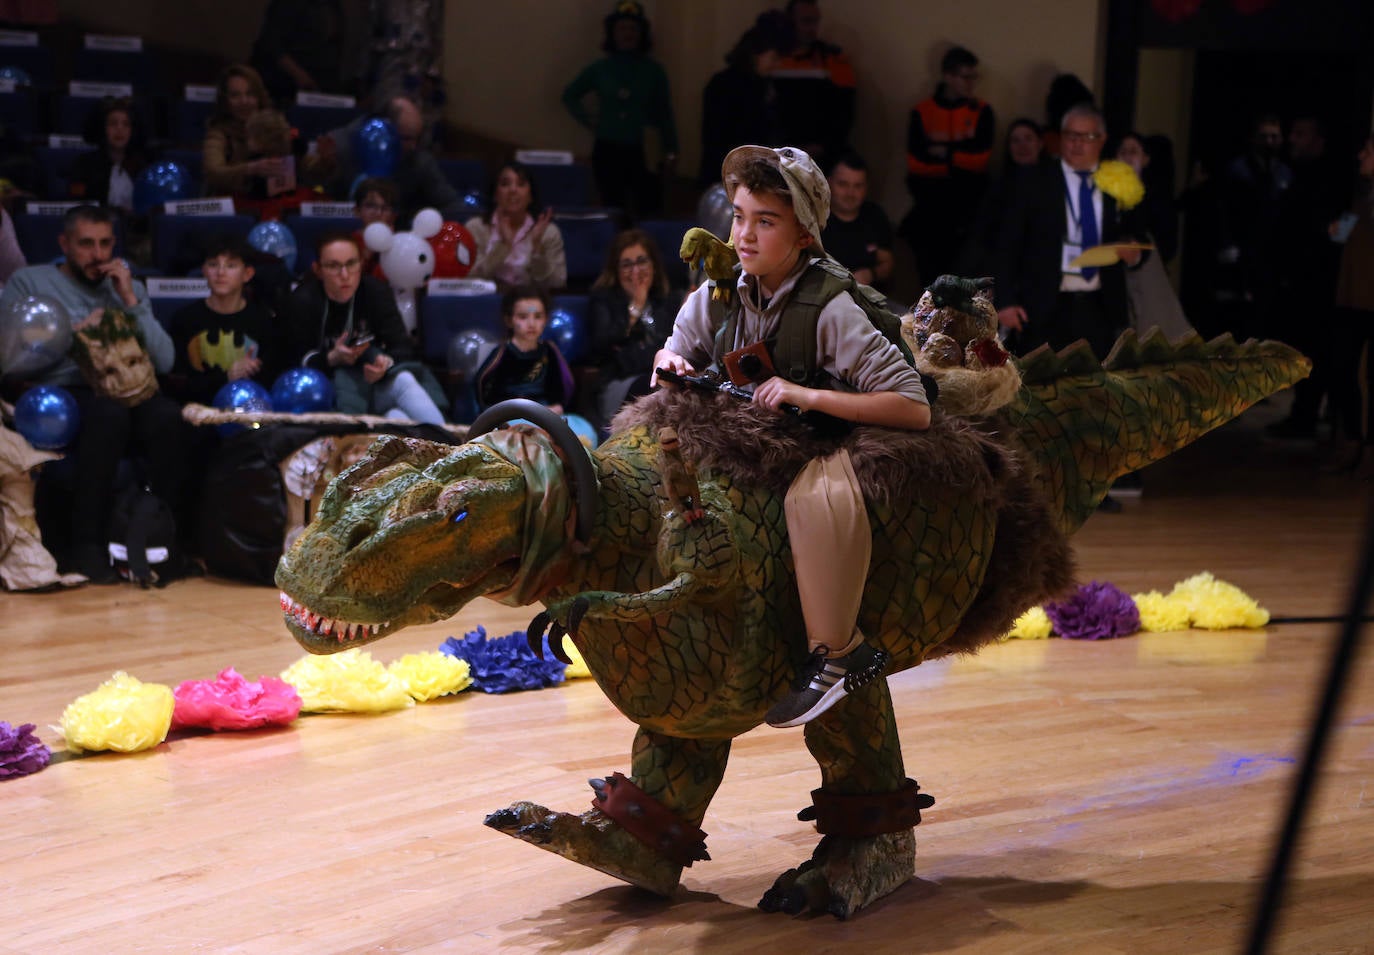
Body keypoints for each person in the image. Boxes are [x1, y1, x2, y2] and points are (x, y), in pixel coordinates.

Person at [653, 145, 931, 727]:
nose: (744, 235)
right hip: (750, 437)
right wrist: (670, 363)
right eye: (738, 216)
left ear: (804, 235)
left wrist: (806, 394)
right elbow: (673, 351)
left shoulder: (830, 309)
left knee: (815, 499)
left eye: (765, 221)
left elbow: (912, 406)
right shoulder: (720, 292)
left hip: (828, 438)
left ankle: (841, 652)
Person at [0, 205, 189, 582]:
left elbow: (165, 360)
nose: (98, 255)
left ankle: (168, 543)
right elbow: (9, 361)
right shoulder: (30, 282)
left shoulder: (127, 288)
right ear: (64, 244)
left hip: (127, 387)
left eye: (105, 244)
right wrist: (73, 335)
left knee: (170, 418)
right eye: (86, 244)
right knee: (108, 416)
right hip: (62, 392)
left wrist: (130, 303)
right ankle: (87, 546)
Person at [993, 103, 1150, 360]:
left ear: (1101, 140)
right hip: (1044, 306)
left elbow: (1139, 234)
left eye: (1087, 137)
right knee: (1041, 387)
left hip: (1100, 306)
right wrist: (1006, 301)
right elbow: (1007, 244)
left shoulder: (1116, 182)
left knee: (1097, 388)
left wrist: (1134, 253)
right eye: (1071, 136)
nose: (1077, 144)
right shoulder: (1034, 181)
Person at [284, 232, 447, 424]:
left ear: (361, 264)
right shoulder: (302, 300)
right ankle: (449, 446)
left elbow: (402, 346)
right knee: (396, 417)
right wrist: (331, 359)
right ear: (318, 269)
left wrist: (384, 363)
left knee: (403, 383)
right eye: (334, 266)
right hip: (326, 395)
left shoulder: (375, 292)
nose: (344, 275)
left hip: (375, 385)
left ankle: (450, 444)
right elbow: (291, 362)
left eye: (351, 264)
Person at [1268, 115, 1351, 440]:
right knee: (1301, 346)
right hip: (1300, 277)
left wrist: (1330, 239)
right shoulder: (1296, 175)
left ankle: (1308, 415)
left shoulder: (1332, 179)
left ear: (1319, 139)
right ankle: (1304, 413)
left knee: (1314, 348)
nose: (1293, 140)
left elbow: (1340, 227)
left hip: (1320, 280)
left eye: (1301, 134)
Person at [562, 1, 678, 218]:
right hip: (607, 149)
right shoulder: (600, 68)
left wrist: (671, 150)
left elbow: (665, 114)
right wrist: (591, 120)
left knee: (647, 209)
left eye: (633, 29)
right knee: (613, 209)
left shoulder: (654, 71)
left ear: (642, 33)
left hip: (642, 150)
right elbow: (569, 95)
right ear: (612, 33)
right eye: (622, 28)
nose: (628, 34)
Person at [902, 45, 995, 284]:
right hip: (931, 205)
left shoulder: (982, 111)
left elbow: (980, 160)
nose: (971, 83)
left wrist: (945, 154)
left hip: (969, 206)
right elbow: (916, 164)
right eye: (966, 76)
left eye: (974, 76)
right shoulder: (923, 112)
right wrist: (958, 162)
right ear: (948, 76)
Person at [307, 96, 466, 221]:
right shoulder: (339, 147)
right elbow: (312, 202)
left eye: (418, 138)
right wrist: (325, 171)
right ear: (386, 131)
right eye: (407, 139)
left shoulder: (417, 158)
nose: (414, 146)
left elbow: (452, 204)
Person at [586, 228, 683, 429]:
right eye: (626, 264)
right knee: (657, 386)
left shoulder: (668, 300)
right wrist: (636, 307)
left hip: (659, 381)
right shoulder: (603, 300)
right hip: (618, 387)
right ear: (616, 270)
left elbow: (674, 346)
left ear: (653, 265)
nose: (635, 271)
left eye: (641, 261)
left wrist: (631, 352)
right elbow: (602, 348)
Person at [169, 233, 281, 406]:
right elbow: (178, 386)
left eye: (231, 265)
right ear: (204, 270)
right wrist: (227, 377)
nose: (220, 273)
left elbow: (272, 382)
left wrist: (254, 372)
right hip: (197, 412)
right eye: (213, 265)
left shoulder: (264, 321)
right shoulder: (184, 319)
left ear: (247, 274)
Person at [698, 10, 793, 186]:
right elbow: (718, 137)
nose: (777, 64)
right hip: (730, 176)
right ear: (755, 54)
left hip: (758, 175)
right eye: (773, 58)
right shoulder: (724, 85)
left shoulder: (767, 85)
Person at [1325, 136, 1374, 473]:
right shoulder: (1360, 196)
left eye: (1369, 151)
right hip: (1352, 299)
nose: (1361, 156)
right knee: (1342, 369)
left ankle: (1366, 447)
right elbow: (1338, 235)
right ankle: (1353, 439)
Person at [771, 0, 855, 171]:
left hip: (820, 156)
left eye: (816, 21)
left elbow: (844, 113)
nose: (812, 28)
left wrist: (824, 146)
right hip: (776, 154)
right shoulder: (771, 58)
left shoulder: (832, 60)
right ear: (790, 22)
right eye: (806, 21)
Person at [958, 117, 1048, 277]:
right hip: (1002, 270)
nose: (1022, 146)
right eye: (1015, 140)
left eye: (1028, 139)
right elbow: (982, 236)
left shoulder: (1055, 183)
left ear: (1040, 143)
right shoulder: (997, 187)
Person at [464, 161, 567, 290]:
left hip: (530, 305)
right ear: (495, 194)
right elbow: (467, 278)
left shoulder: (548, 232)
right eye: (505, 184)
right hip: (486, 302)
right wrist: (503, 246)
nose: (513, 190)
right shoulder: (475, 228)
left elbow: (558, 283)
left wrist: (537, 249)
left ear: (531, 196)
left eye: (521, 184)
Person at [474, 284, 575, 412]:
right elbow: (483, 389)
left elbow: (564, 388)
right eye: (523, 317)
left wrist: (558, 406)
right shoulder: (503, 352)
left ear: (546, 319)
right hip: (511, 413)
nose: (531, 324)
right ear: (509, 320)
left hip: (544, 412)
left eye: (538, 316)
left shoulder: (549, 350)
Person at [202, 64, 283, 197]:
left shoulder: (273, 126)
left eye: (250, 94)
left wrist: (324, 162)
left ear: (259, 97)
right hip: (232, 207)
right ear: (225, 101)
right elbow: (213, 172)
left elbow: (302, 165)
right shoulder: (218, 133)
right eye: (235, 95)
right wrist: (251, 169)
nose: (244, 101)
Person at [250, 0, 355, 102]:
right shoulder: (289, 4)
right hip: (289, 86)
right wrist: (300, 76)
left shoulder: (332, 5)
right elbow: (271, 45)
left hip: (323, 86)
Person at [819, 151, 893, 290]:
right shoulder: (816, 218)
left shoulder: (875, 217)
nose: (850, 193)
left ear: (866, 188)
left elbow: (887, 262)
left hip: (868, 299)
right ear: (828, 183)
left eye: (858, 186)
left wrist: (870, 274)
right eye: (843, 184)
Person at [69, 97, 150, 214]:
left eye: (126, 124)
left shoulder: (141, 166)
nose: (119, 129)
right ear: (102, 129)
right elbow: (77, 204)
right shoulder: (84, 164)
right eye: (113, 124)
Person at [352, 176, 398, 279]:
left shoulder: (401, 244)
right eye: (370, 206)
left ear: (393, 216)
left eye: (385, 208)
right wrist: (368, 251)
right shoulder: (348, 243)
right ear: (357, 210)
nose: (378, 213)